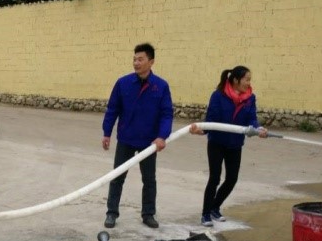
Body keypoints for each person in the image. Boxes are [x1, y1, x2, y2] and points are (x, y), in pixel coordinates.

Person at [102, 43, 173, 229]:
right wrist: (107, 132)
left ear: (151, 62)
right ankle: (111, 213)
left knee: (149, 180)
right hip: (126, 138)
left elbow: (166, 114)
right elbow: (112, 109)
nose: (136, 63)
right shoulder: (123, 83)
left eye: (140, 59)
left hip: (149, 142)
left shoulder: (161, 86)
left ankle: (148, 214)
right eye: (134, 59)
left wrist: (162, 136)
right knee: (117, 177)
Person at [190, 65, 267, 227]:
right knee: (215, 178)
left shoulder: (250, 98)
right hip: (217, 142)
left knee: (232, 179)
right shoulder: (218, 95)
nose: (249, 83)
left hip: (235, 144)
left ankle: (215, 207)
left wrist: (258, 129)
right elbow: (211, 120)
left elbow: (251, 119)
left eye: (249, 80)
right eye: (246, 79)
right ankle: (205, 214)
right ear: (236, 80)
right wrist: (201, 131)